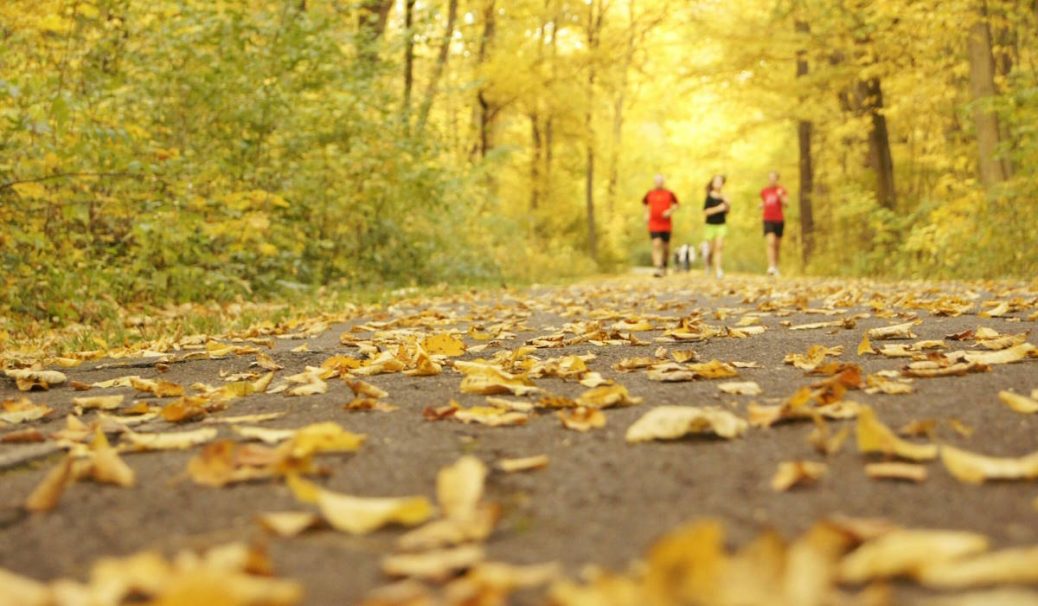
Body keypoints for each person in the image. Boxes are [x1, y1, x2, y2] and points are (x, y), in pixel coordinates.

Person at [642, 174, 679, 277]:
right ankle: (658, 267)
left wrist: (670, 211)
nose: (659, 183)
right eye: (657, 181)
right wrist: (646, 214)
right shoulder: (650, 193)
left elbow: (676, 204)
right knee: (656, 243)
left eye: (660, 181)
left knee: (666, 247)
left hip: (666, 224)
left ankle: (664, 264)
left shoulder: (669, 193)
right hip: (653, 223)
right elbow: (644, 203)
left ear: (663, 182)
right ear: (654, 182)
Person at [760, 170, 788, 276]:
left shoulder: (782, 190)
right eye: (770, 178)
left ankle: (776, 266)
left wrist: (780, 196)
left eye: (773, 178)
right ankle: (771, 266)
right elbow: (765, 202)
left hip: (779, 219)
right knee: (770, 242)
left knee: (777, 245)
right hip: (767, 218)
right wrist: (762, 205)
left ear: (777, 179)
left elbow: (786, 204)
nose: (771, 180)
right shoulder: (764, 191)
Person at [703, 174, 730, 279]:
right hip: (710, 225)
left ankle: (718, 269)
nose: (718, 183)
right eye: (716, 181)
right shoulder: (709, 196)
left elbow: (727, 211)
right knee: (711, 250)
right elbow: (706, 212)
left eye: (720, 181)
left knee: (719, 247)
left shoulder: (724, 196)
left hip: (721, 225)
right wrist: (718, 208)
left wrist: (727, 204)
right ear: (713, 183)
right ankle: (708, 265)